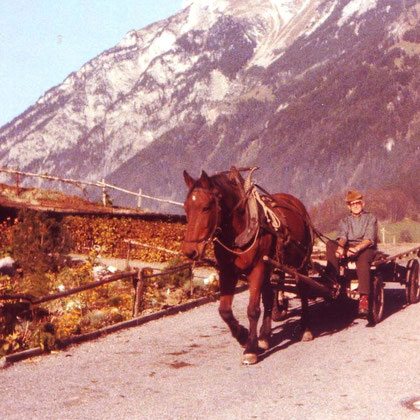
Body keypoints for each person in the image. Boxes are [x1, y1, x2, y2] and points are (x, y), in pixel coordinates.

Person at [325, 190, 378, 315]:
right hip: (349, 246)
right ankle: (333, 280)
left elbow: (369, 239)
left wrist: (356, 249)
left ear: (362, 204)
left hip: (366, 248)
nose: (355, 206)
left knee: (363, 263)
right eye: (352, 204)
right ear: (348, 206)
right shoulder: (345, 220)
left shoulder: (370, 218)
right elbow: (342, 236)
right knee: (330, 244)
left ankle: (364, 297)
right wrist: (340, 247)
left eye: (357, 203)